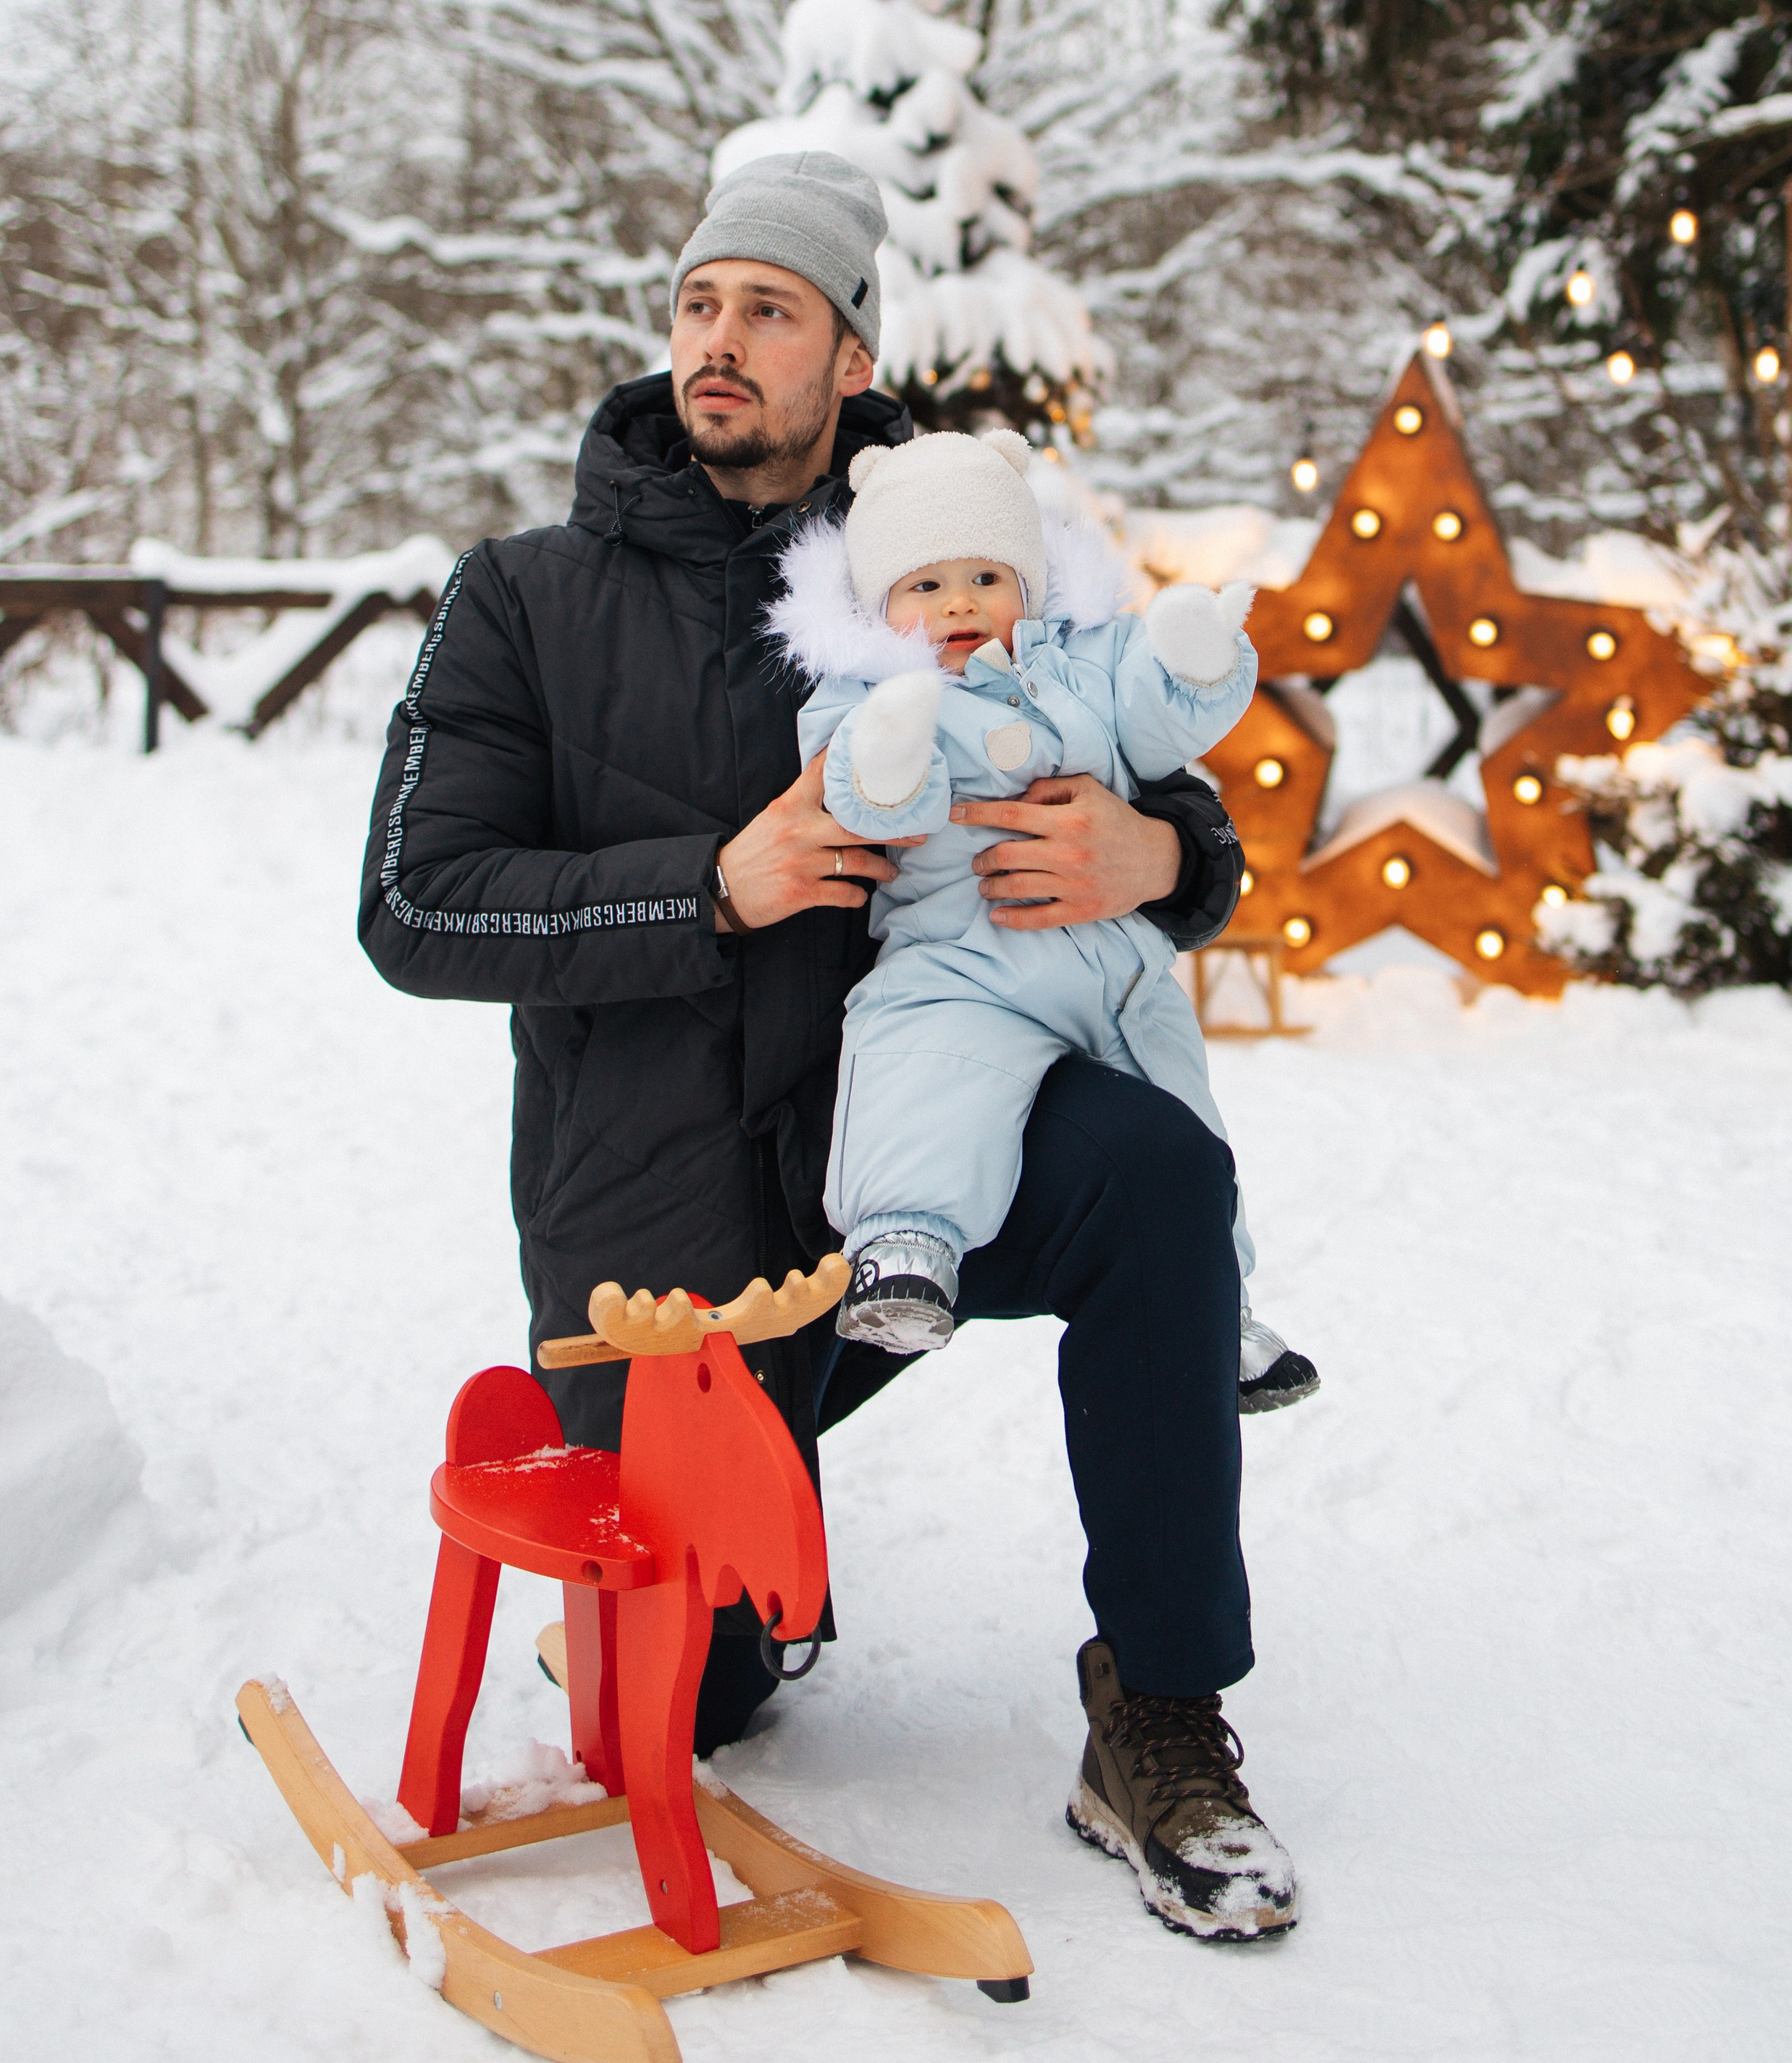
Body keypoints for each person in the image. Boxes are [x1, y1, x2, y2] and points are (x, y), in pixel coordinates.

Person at [360, 148, 1298, 1943]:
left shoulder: (946, 551)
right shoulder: (522, 598)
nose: (720, 341)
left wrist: (1164, 854)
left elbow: (1143, 744)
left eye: (768, 311)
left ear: (847, 359)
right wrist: (711, 883)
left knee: (1157, 1176)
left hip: (908, 1146)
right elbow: (412, 902)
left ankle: (1163, 1710)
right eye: (700, 302)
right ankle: (719, 1590)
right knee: (713, 1696)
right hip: (656, 1231)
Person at [767, 426, 1313, 1407]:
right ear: (881, 606)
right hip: (964, 956)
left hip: (1116, 967)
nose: (960, 602)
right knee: (928, 1066)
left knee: (1186, 1119)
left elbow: (1152, 725)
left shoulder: (1084, 661)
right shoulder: (874, 692)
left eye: (985, 574)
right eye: (926, 586)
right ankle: (905, 1242)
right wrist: (890, 748)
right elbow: (862, 793)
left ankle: (1215, 1308)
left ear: (1029, 580)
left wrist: (1186, 665)